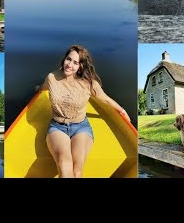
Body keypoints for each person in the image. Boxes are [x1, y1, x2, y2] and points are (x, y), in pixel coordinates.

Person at [37, 45, 130, 178]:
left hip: (80, 127)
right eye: (68, 59)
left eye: (75, 62)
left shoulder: (88, 84)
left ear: (81, 66)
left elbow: (105, 99)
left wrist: (122, 110)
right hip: (57, 127)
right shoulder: (52, 77)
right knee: (64, 164)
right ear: (64, 59)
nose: (69, 65)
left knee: (77, 171)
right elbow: (43, 87)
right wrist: (36, 90)